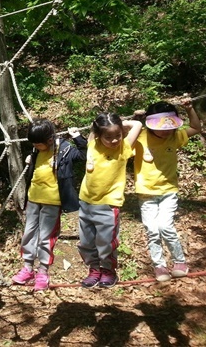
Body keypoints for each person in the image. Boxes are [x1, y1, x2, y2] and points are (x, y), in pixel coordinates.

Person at [11, 119, 87, 291]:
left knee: (45, 237)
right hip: (33, 198)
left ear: (50, 140)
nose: (36, 147)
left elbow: (84, 155)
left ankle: (43, 272)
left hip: (53, 201)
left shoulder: (65, 149)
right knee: (29, 233)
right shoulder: (36, 150)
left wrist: (78, 138)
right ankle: (28, 268)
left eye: (39, 144)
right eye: (34, 144)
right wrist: (31, 159)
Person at [134, 99, 201, 282]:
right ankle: (159, 266)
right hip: (146, 193)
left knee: (165, 226)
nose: (165, 132)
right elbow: (118, 137)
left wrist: (189, 108)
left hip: (168, 191)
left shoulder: (175, 136)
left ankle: (180, 262)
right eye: (161, 128)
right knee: (152, 230)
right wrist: (136, 121)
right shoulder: (139, 137)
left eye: (169, 127)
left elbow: (195, 128)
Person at [78, 113, 142, 288]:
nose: (114, 140)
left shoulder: (124, 148)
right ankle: (94, 269)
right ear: (99, 135)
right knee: (86, 241)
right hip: (86, 201)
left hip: (108, 204)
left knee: (106, 242)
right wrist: (99, 124)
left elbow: (137, 125)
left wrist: (122, 122)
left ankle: (108, 271)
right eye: (108, 137)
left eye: (118, 135)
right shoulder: (92, 144)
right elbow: (93, 130)